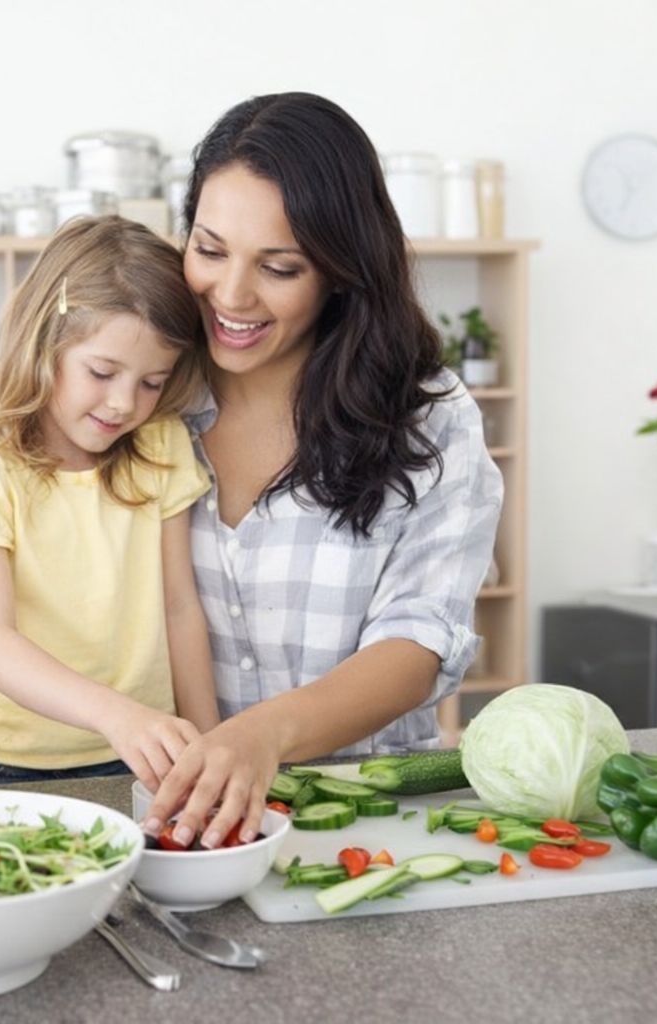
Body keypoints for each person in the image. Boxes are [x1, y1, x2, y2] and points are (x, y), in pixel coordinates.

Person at [142, 93, 503, 850]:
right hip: (175, 821)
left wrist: (261, 736)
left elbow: (417, 643)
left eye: (279, 267)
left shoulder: (428, 418)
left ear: (341, 270)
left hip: (367, 816)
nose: (231, 296)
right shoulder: (142, 396)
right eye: (210, 251)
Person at [0, 216, 219, 790]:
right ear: (44, 344)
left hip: (136, 751)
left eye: (152, 382)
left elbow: (180, 607)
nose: (124, 403)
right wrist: (117, 715)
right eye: (102, 372)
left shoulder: (159, 446)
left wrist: (208, 743)